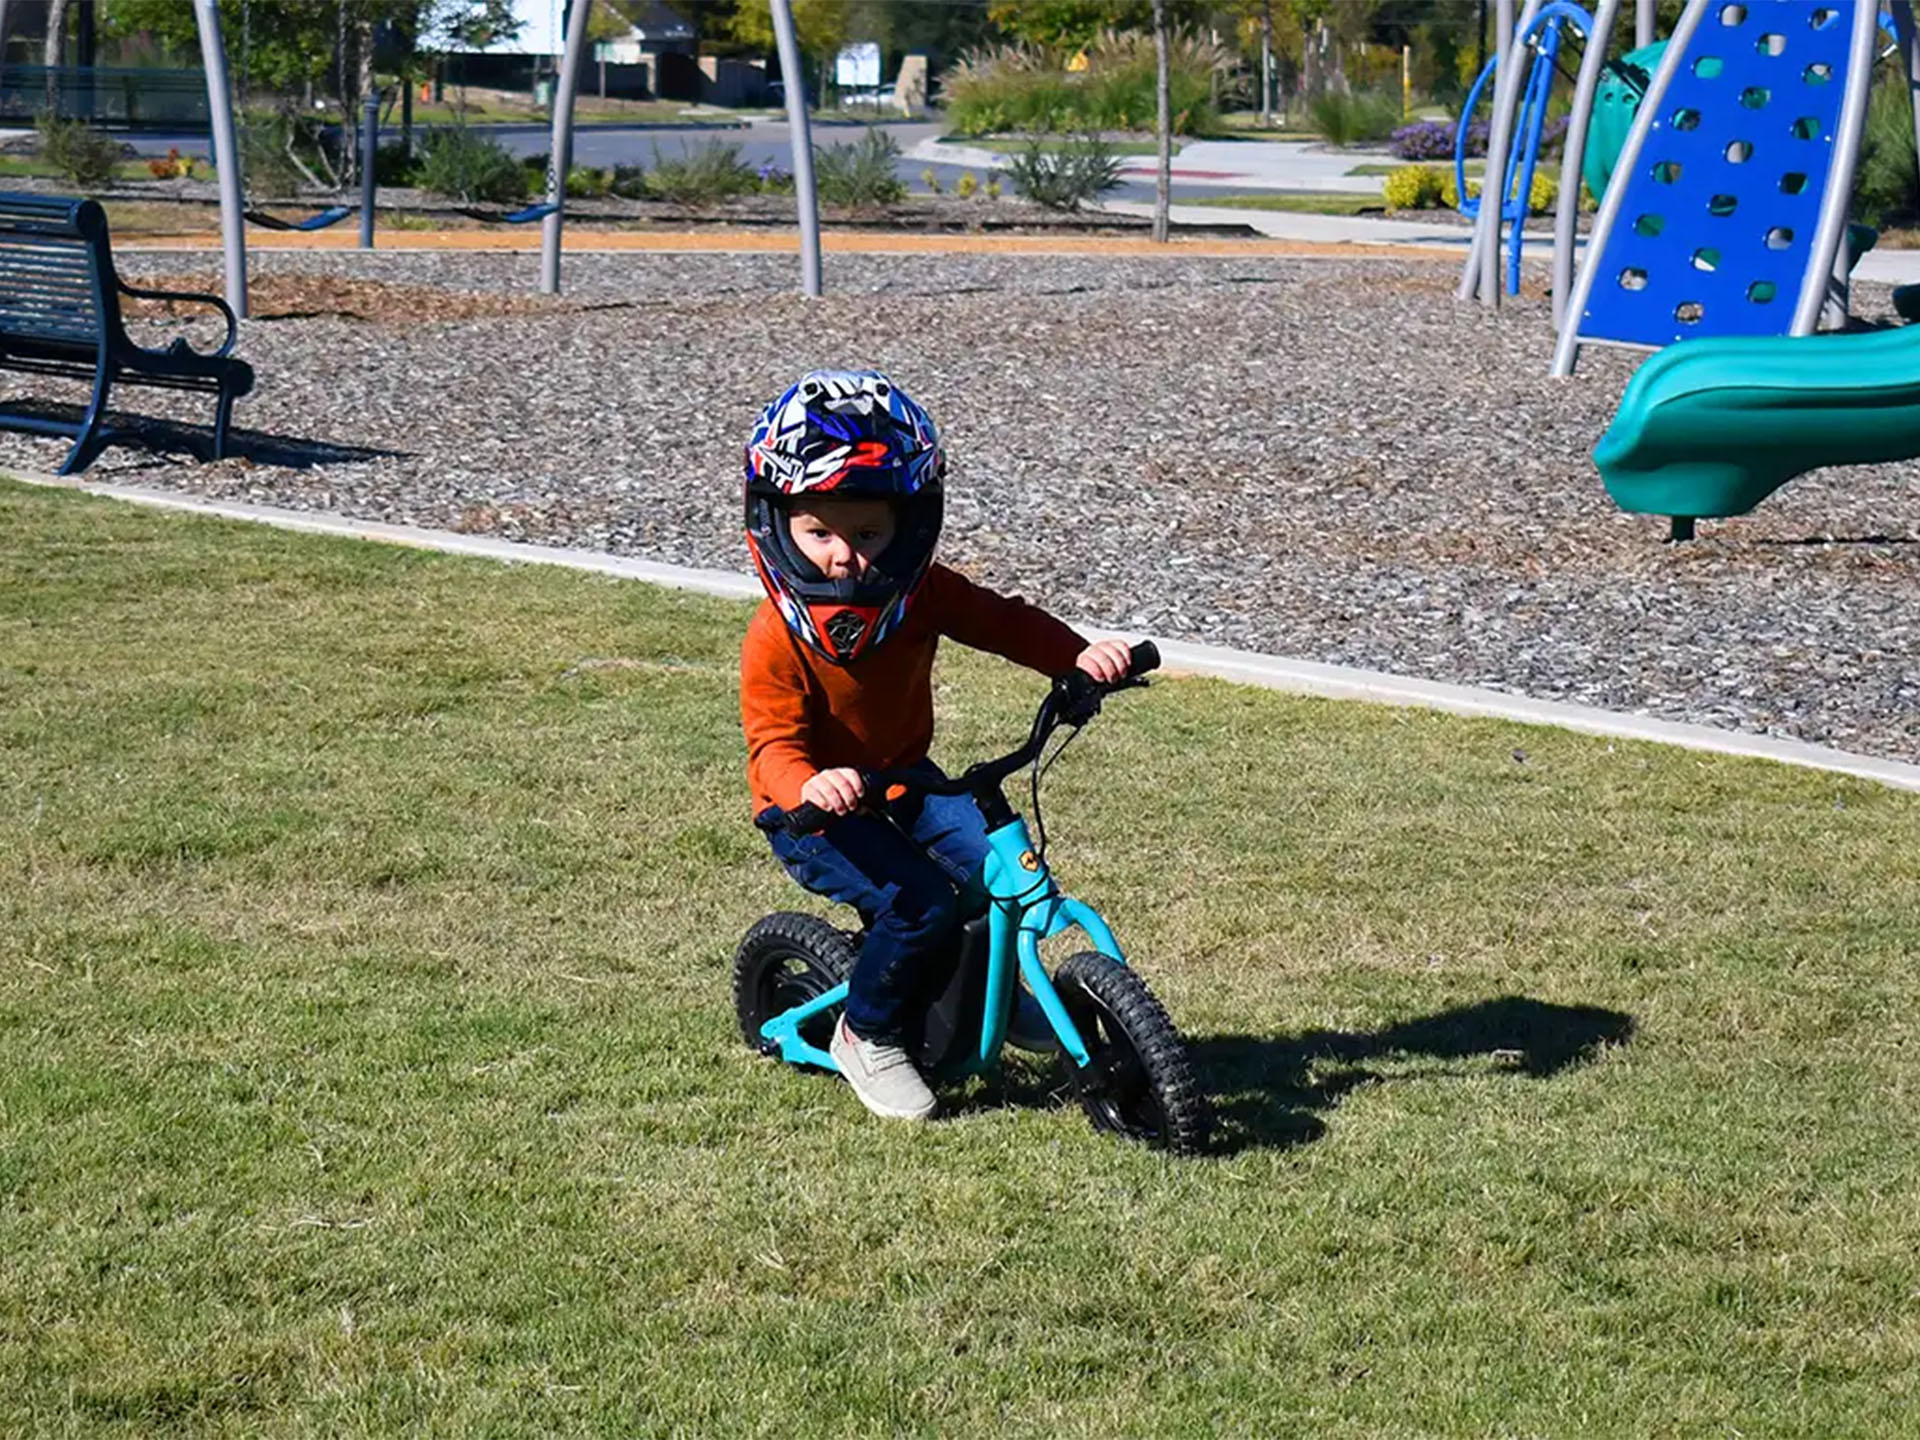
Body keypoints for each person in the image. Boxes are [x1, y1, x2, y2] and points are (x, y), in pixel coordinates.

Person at [740, 369, 1138, 1122]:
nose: (843, 555)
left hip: (903, 782)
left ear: (910, 526)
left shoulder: (922, 594)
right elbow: (771, 747)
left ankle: (992, 993)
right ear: (776, 523)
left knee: (993, 873)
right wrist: (808, 786)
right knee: (921, 906)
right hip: (813, 816)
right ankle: (870, 1032)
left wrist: (1076, 656)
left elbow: (1000, 620)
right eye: (819, 532)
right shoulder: (773, 639)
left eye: (867, 533)